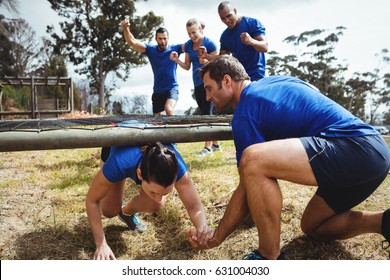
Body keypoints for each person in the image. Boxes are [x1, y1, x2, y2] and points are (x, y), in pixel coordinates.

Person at [187, 55, 390, 260]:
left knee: (253, 160)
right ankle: (384, 222)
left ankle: (268, 256)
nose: (207, 97)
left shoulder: (246, 112)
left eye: (209, 88)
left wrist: (217, 237)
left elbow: (248, 182)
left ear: (227, 81)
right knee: (313, 225)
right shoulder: (274, 82)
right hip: (375, 154)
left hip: (355, 147)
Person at [86, 141, 212, 260]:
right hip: (118, 149)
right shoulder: (119, 162)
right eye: (154, 192)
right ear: (140, 174)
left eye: (165, 192)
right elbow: (92, 200)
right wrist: (101, 244)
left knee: (155, 204)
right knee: (109, 211)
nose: (159, 198)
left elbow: (193, 205)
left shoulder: (177, 166)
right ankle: (119, 208)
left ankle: (125, 212)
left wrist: (202, 229)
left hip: (140, 157)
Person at [170, 18, 221, 156]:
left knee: (207, 114)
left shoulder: (209, 43)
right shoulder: (188, 45)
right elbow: (187, 66)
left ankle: (208, 148)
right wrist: (177, 60)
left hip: (209, 83)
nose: (191, 36)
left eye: (194, 32)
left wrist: (207, 60)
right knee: (206, 111)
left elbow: (219, 61)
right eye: (189, 33)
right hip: (197, 83)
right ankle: (216, 144)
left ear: (200, 30)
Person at [121, 19, 182, 115]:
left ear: (168, 38)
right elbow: (132, 41)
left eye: (165, 38)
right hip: (158, 90)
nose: (162, 41)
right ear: (156, 39)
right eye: (160, 38)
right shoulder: (151, 50)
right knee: (157, 119)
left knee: (169, 109)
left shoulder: (176, 48)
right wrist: (126, 28)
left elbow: (191, 45)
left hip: (172, 88)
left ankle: (175, 129)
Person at [199, 2, 268, 81]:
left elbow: (265, 47)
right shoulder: (225, 36)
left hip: (257, 77)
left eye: (229, 16)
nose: (227, 21)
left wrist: (251, 41)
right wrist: (206, 56)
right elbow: (222, 58)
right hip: (240, 78)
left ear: (235, 11)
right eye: (223, 18)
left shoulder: (252, 23)